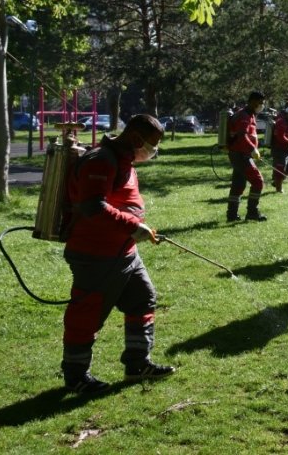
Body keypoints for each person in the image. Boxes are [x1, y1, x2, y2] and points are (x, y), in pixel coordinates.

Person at [61, 114, 174, 395]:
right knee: (87, 315)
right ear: (135, 138)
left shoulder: (125, 160)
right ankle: (76, 376)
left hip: (125, 252)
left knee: (143, 299)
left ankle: (137, 364)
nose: (153, 150)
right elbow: (93, 207)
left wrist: (133, 230)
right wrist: (133, 226)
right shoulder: (101, 160)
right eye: (152, 144)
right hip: (96, 254)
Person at [226, 91, 267, 222]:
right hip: (241, 155)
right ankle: (252, 212)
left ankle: (232, 215)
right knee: (258, 181)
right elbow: (242, 135)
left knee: (238, 184)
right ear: (252, 101)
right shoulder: (244, 116)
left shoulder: (249, 114)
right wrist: (252, 149)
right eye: (260, 103)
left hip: (239, 154)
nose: (262, 105)